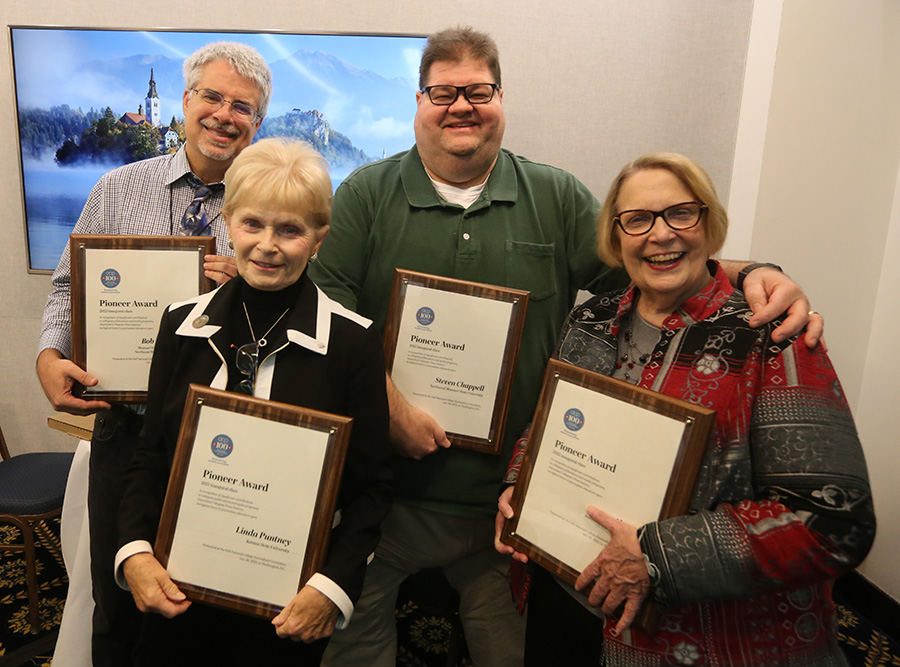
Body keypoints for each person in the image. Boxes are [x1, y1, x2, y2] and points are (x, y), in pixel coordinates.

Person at [313, 26, 823, 667]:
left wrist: (749, 274)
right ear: (418, 102)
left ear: (501, 97)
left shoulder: (554, 196)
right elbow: (329, 317)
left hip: (514, 501)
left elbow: (649, 266)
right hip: (387, 491)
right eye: (443, 92)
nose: (461, 106)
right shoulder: (364, 193)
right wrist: (389, 410)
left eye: (479, 90)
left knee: (513, 652)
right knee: (355, 645)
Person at [495, 152, 876, 666]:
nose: (660, 234)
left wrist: (655, 556)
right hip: (565, 599)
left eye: (680, 213)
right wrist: (520, 483)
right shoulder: (589, 319)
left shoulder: (772, 337)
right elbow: (548, 420)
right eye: (637, 219)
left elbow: (830, 521)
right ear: (615, 235)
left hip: (699, 641)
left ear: (708, 222)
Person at [114, 137, 392, 665]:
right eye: (252, 224)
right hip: (177, 587)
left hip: (287, 605)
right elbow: (150, 453)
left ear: (318, 239)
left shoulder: (352, 343)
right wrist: (135, 554)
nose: (268, 244)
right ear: (228, 221)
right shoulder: (181, 324)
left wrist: (329, 590)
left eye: (290, 230)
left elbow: (372, 490)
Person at [36, 41, 271, 665]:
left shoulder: (271, 208)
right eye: (212, 97)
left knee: (220, 603)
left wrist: (248, 288)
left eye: (242, 106)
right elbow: (68, 286)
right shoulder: (118, 187)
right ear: (186, 102)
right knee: (119, 598)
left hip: (230, 439)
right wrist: (48, 354)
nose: (224, 114)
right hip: (130, 428)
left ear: (259, 121)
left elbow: (300, 313)